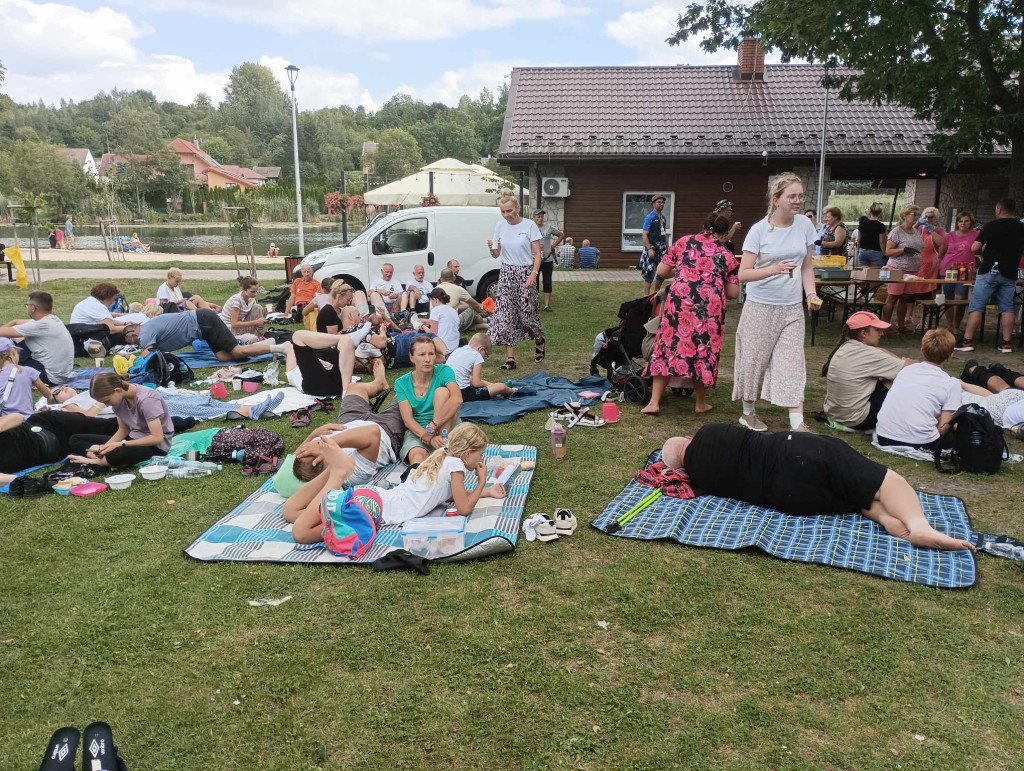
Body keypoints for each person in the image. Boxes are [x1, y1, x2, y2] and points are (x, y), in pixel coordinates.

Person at [661, 425, 974, 552]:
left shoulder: (700, 478)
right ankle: (919, 526)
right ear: (689, 439)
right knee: (884, 480)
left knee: (850, 495)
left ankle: (884, 518)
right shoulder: (709, 432)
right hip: (795, 453)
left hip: (787, 498)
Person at [284, 422, 506, 546]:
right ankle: (337, 472)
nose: (481, 460)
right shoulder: (456, 465)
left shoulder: (442, 454)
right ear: (467, 453)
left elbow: (446, 496)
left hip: (370, 497)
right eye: (480, 455)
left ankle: (334, 469)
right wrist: (482, 481)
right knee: (302, 533)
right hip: (369, 510)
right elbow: (464, 508)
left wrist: (485, 492)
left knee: (291, 512)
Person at [733, 172, 819, 432]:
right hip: (760, 306)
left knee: (793, 361)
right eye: (791, 196)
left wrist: (811, 294)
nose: (797, 201)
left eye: (800, 196)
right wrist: (773, 269)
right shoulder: (759, 230)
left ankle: (797, 423)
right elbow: (743, 274)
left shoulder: (804, 225)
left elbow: (806, 267)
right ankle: (748, 413)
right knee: (754, 360)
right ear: (776, 199)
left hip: (792, 308)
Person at [641, 214, 739, 415]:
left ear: (703, 226)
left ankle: (654, 403)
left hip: (680, 302)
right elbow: (732, 293)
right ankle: (700, 404)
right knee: (703, 350)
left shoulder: (684, 242)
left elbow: (661, 270)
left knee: (668, 345)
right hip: (709, 309)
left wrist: (680, 271)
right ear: (724, 232)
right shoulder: (726, 254)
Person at [290, 359, 404, 485]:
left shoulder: (305, 461)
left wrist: (314, 434)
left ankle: (379, 383)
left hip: (348, 423)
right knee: (408, 393)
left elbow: (294, 458)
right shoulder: (351, 474)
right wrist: (329, 443)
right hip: (386, 431)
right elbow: (372, 432)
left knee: (354, 387)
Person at [875, 329, 976, 450]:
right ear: (950, 355)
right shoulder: (951, 384)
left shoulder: (906, 370)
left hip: (884, 436)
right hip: (919, 441)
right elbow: (943, 428)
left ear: (922, 350)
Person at [821, 312, 911, 431]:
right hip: (857, 420)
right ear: (863, 333)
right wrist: (906, 361)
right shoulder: (870, 354)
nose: (881, 333)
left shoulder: (845, 347)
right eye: (877, 330)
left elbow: (881, 354)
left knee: (887, 372)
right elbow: (910, 368)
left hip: (834, 413)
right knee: (894, 379)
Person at [956, 198, 1024, 354]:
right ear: (1014, 211)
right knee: (1007, 307)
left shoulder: (991, 225)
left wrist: (983, 254)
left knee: (977, 305)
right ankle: (1006, 343)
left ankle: (967, 341)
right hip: (1010, 272)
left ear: (999, 210)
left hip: (990, 270)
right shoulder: (1021, 227)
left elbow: (975, 247)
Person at [65, 373, 173, 468]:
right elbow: (123, 430)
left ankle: (95, 462)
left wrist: (120, 444)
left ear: (117, 390)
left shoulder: (147, 400)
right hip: (132, 439)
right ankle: (107, 460)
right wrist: (105, 448)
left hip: (155, 447)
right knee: (75, 439)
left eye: (107, 400)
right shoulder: (119, 400)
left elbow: (157, 438)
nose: (107, 405)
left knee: (118, 453)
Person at [487, 191, 545, 370]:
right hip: (506, 273)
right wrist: (492, 249)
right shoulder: (500, 226)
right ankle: (510, 358)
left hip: (526, 271)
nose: (506, 215)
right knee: (505, 316)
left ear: (518, 208)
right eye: (503, 212)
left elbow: (537, 254)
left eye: (509, 211)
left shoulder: (529, 226)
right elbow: (497, 254)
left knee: (527, 316)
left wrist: (533, 274)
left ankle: (539, 339)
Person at [395, 335, 463, 463]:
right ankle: (416, 478)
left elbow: (457, 399)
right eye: (421, 354)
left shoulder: (444, 371)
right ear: (412, 357)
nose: (427, 359)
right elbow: (408, 420)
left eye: (431, 354)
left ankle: (443, 446)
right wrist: (429, 437)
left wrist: (433, 426)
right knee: (417, 458)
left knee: (441, 392)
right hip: (420, 431)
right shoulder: (401, 383)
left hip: (446, 426)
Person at [128, 309, 288, 363]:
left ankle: (279, 347)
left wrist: (133, 362)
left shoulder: (145, 332)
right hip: (202, 328)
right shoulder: (148, 328)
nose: (136, 344)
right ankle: (268, 344)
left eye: (133, 340)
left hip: (203, 320)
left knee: (238, 351)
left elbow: (146, 355)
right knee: (224, 357)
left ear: (134, 332)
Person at [284, 325, 384, 397]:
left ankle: (346, 394)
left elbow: (302, 356)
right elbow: (297, 353)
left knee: (346, 342)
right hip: (316, 386)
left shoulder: (298, 363)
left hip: (336, 383)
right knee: (297, 336)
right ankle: (349, 337)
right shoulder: (293, 370)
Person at [0, 291, 74, 385]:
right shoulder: (52, 320)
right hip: (61, 375)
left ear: (33, 308)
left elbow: (2, 333)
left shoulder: (40, 325)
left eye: (27, 305)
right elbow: (17, 322)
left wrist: (13, 324)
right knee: (17, 339)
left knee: (7, 348)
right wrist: (14, 321)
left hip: (48, 377)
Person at [881, 203, 925, 333]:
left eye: (918, 214)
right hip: (897, 268)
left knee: (905, 298)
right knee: (892, 297)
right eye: (914, 214)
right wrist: (903, 250)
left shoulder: (916, 231)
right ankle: (885, 326)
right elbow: (888, 252)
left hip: (912, 270)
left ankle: (901, 325)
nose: (916, 217)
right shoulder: (897, 231)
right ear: (905, 216)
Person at [0, 339, 54, 430]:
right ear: (13, 352)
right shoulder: (28, 371)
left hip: (5, 422)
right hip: (28, 422)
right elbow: (49, 396)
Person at [938, 211, 978, 333]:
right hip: (949, 268)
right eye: (960, 221)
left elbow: (980, 251)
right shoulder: (950, 235)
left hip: (966, 270)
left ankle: (956, 324)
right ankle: (950, 324)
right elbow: (941, 253)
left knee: (960, 298)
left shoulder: (976, 235)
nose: (963, 223)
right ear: (957, 223)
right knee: (949, 297)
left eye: (966, 221)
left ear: (971, 222)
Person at [446, 333, 517, 402]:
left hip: (448, 389)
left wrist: (491, 385)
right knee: (501, 387)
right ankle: (510, 390)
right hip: (462, 393)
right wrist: (496, 387)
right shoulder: (477, 355)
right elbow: (476, 383)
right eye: (486, 354)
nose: (484, 357)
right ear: (481, 349)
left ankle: (494, 385)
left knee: (470, 378)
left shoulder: (458, 350)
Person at [908, 206, 945, 304]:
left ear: (935, 218)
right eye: (926, 217)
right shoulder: (918, 228)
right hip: (915, 262)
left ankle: (927, 312)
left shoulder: (939, 230)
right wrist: (916, 225)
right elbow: (906, 233)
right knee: (911, 289)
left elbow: (942, 243)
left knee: (928, 288)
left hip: (930, 265)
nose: (928, 219)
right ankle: (908, 316)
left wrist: (932, 231)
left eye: (931, 217)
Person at [435, 268, 488, 332]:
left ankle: (485, 324)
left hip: (437, 325)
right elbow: (475, 304)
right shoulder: (457, 289)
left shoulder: (434, 290)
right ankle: (486, 320)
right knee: (472, 310)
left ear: (440, 279)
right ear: (453, 278)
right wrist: (482, 312)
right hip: (452, 324)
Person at [532, 208, 564, 312]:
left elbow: (561, 235)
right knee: (534, 282)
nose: (540, 219)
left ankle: (546, 305)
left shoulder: (548, 228)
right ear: (534, 218)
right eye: (538, 217)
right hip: (534, 260)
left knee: (547, 281)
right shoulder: (530, 228)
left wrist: (553, 245)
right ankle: (534, 304)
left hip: (547, 259)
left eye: (542, 216)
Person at [640, 194, 668, 295]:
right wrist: (649, 249)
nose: (661, 204)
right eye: (659, 202)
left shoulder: (663, 218)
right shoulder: (650, 217)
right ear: (653, 204)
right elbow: (644, 234)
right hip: (652, 247)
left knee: (662, 272)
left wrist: (667, 250)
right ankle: (646, 296)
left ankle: (655, 294)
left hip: (662, 248)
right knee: (650, 272)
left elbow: (664, 235)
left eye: (663, 202)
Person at [422, 287, 460, 356]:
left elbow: (432, 334)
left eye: (432, 300)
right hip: (455, 346)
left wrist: (422, 326)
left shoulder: (436, 310)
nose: (432, 303)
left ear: (435, 300)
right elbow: (444, 322)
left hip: (443, 348)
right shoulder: (452, 310)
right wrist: (428, 322)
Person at [856, 202, 888, 268]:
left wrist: (858, 249)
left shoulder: (863, 224)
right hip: (876, 252)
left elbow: (859, 239)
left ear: (870, 211)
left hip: (863, 251)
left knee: (863, 273)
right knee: (874, 274)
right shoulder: (881, 226)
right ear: (880, 213)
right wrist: (884, 253)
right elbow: (881, 242)